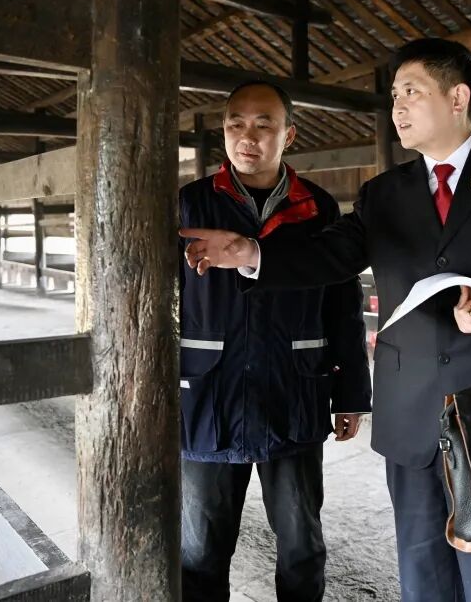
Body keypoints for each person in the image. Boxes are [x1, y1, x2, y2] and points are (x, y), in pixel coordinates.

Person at [181, 38, 471, 602]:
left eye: (411, 92)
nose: (397, 107)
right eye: (395, 95)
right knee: (422, 574)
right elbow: (330, 258)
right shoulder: (385, 193)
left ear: (457, 98)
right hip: (412, 413)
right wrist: (252, 254)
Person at [178, 80, 371, 602]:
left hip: (294, 392)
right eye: (236, 124)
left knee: (302, 545)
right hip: (208, 397)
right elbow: (155, 305)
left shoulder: (317, 209)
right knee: (199, 551)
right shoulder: (190, 206)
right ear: (223, 132)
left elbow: (343, 306)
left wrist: (352, 393)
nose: (248, 137)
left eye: (264, 125)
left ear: (289, 135)